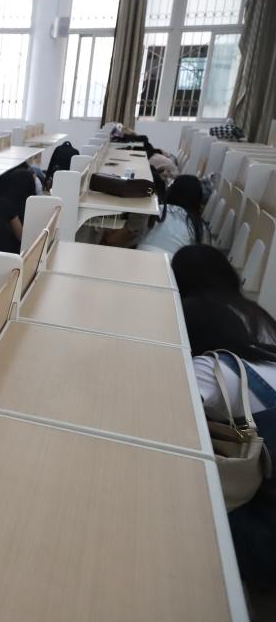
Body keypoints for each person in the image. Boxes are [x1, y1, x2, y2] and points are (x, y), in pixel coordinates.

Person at [172, 246, 276, 596]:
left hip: (267, 537)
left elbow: (163, 412)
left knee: (185, 509)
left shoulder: (212, 370)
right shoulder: (259, 318)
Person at [137, 175, 207, 254]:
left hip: (141, 253)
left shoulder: (157, 209)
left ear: (172, 190)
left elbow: (137, 232)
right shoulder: (198, 225)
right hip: (172, 259)